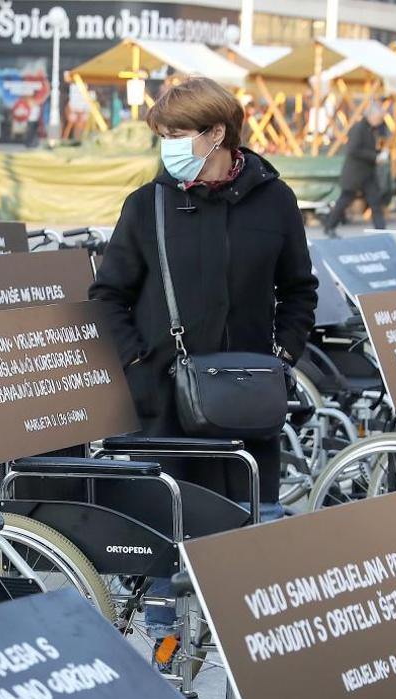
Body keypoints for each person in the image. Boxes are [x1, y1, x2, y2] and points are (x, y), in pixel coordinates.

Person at [91, 77, 318, 666]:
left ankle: (248, 662)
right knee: (163, 549)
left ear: (217, 133)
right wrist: (140, 368)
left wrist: (283, 358)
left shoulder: (276, 201)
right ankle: (164, 659)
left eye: (176, 134)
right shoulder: (149, 205)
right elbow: (109, 295)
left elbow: (299, 290)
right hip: (165, 407)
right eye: (161, 135)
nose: (165, 145)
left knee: (249, 545)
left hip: (248, 408)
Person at [321, 104, 388, 237]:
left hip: (368, 173)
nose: (380, 121)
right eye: (378, 118)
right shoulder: (359, 128)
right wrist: (375, 157)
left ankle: (381, 231)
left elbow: (367, 148)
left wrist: (379, 153)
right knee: (344, 200)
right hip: (355, 173)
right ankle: (329, 226)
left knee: (375, 201)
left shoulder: (371, 129)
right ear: (371, 116)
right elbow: (353, 150)